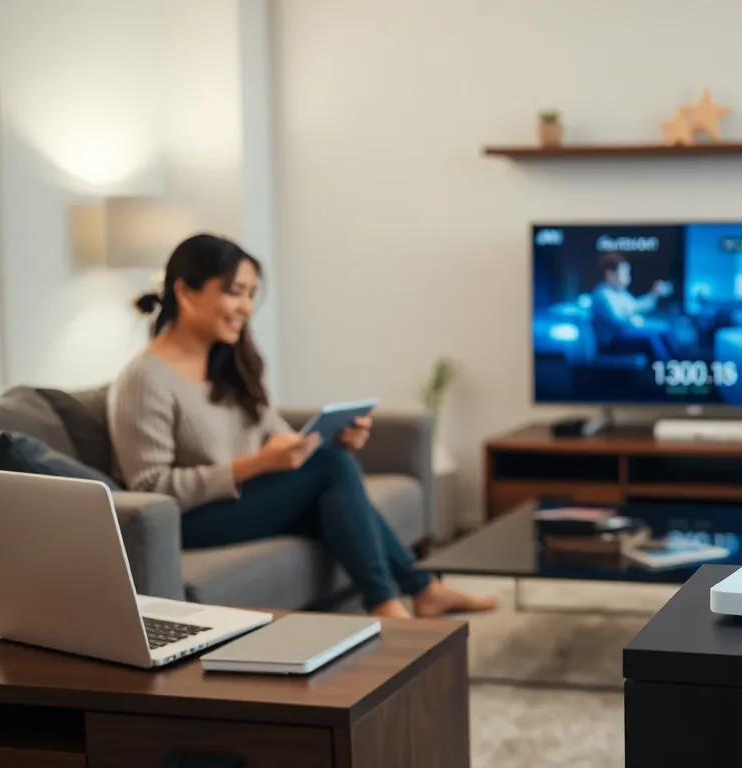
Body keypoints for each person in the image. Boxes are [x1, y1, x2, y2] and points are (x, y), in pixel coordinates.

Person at [108, 233, 498, 620]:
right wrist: (257, 464)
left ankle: (421, 591)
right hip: (189, 520)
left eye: (251, 294)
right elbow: (151, 488)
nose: (245, 307)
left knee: (333, 481)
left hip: (240, 498)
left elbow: (275, 433)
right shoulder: (144, 379)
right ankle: (391, 605)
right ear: (186, 292)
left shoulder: (226, 363)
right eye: (234, 292)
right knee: (330, 471)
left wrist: (330, 440)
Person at [589, 252, 674, 359]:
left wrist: (654, 294)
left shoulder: (620, 292)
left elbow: (636, 307)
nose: (628, 279)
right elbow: (620, 321)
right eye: (624, 274)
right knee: (652, 337)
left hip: (625, 333)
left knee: (663, 328)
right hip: (613, 341)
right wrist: (636, 320)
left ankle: (675, 365)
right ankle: (663, 370)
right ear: (610, 274)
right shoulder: (602, 295)